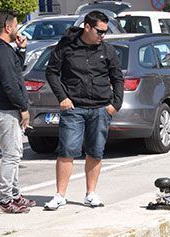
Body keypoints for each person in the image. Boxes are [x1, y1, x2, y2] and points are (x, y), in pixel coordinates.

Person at [44, 10, 123, 211]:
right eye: (99, 31)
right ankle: (60, 195)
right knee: (67, 150)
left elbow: (117, 77)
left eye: (105, 32)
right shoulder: (66, 46)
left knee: (96, 151)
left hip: (101, 108)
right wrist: (63, 98)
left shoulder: (107, 50)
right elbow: (52, 72)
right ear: (87, 27)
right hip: (74, 108)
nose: (103, 35)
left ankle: (91, 194)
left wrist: (115, 105)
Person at [0, 9, 35, 214]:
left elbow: (15, 70)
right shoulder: (1, 51)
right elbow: (11, 84)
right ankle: (5, 200)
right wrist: (23, 108)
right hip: (6, 109)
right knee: (11, 155)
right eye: (17, 25)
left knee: (16, 153)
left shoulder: (0, 49)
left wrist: (20, 50)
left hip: (4, 107)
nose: (18, 29)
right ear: (8, 27)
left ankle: (15, 195)